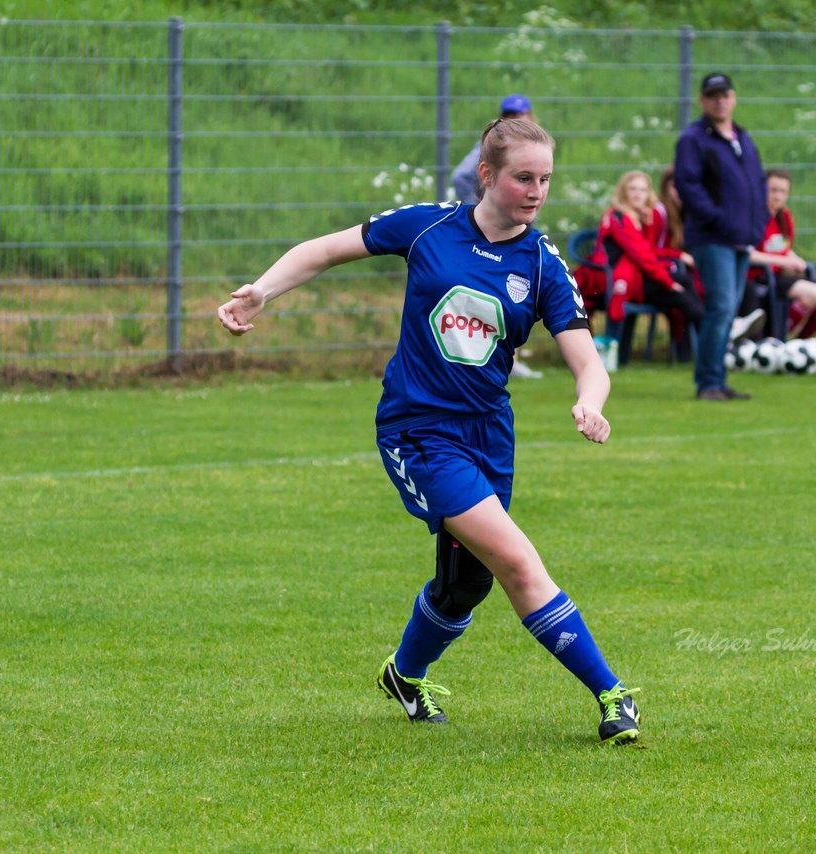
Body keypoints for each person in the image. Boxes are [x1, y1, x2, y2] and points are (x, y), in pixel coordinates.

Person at [218, 117, 642, 746]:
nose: (536, 191)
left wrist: (591, 401)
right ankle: (611, 696)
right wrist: (262, 291)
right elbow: (327, 249)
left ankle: (405, 676)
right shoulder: (429, 226)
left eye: (546, 179)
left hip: (489, 436)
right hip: (419, 433)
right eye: (524, 177)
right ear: (488, 175)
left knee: (466, 583)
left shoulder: (545, 264)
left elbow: (586, 359)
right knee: (519, 564)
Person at [674, 72, 768, 401]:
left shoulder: (741, 137)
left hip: (741, 237)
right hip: (713, 237)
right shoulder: (694, 139)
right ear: (702, 101)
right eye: (713, 95)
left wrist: (758, 224)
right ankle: (709, 382)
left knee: (728, 311)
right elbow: (688, 186)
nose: (720, 100)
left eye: (725, 94)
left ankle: (718, 379)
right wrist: (719, 218)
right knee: (722, 306)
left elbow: (758, 182)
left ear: (734, 97)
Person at [452, 94, 542, 379]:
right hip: (490, 236)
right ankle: (495, 359)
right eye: (509, 114)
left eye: (520, 114)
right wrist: (479, 209)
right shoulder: (494, 146)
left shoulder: (537, 145)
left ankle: (505, 358)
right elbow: (461, 176)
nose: (516, 119)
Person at [573, 170, 703, 354]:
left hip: (638, 280)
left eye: (642, 190)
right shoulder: (618, 218)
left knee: (685, 286)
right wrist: (668, 282)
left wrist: (676, 254)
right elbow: (642, 256)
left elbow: (649, 251)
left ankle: (707, 341)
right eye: (632, 189)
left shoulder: (640, 218)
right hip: (619, 282)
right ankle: (715, 337)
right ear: (623, 192)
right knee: (681, 293)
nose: (637, 194)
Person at [740, 169, 816, 340]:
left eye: (783, 192)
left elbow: (783, 248)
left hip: (780, 275)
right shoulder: (753, 217)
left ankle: (802, 341)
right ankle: (781, 338)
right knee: (813, 295)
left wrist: (794, 259)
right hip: (759, 276)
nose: (778, 196)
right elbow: (747, 254)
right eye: (773, 190)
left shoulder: (784, 217)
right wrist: (782, 261)